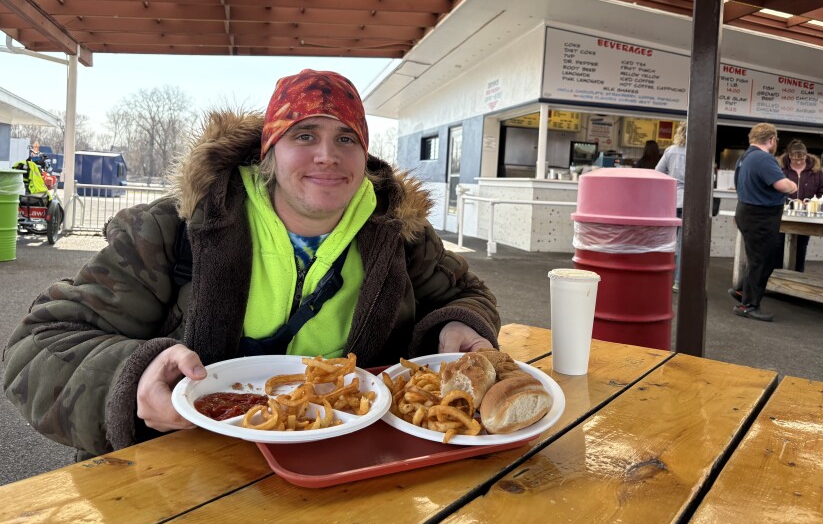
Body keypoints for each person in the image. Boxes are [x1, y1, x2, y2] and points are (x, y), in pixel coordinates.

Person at [3, 69, 500, 459]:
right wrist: (131, 379)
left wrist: (455, 324)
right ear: (269, 152)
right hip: (181, 474)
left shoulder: (402, 236)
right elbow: (37, 345)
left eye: (346, 138)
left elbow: (467, 296)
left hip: (342, 472)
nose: (327, 155)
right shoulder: (174, 230)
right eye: (303, 135)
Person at [730, 123, 797, 321]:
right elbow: (783, 185)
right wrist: (793, 184)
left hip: (746, 211)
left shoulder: (745, 157)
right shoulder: (763, 158)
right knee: (763, 261)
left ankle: (743, 291)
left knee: (757, 258)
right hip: (761, 216)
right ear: (772, 140)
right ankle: (749, 306)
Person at [774, 139, 823, 272]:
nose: (798, 162)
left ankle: (798, 275)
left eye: (801, 159)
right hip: (783, 215)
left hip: (805, 216)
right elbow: (773, 189)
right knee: (779, 246)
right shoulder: (779, 169)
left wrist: (812, 202)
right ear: (788, 156)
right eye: (794, 159)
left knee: (801, 247)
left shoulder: (816, 171)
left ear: (806, 155)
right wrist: (790, 201)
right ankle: (778, 275)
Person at [655, 124, 686, 291]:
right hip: (690, 202)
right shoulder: (701, 152)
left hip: (671, 202)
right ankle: (678, 282)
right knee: (683, 245)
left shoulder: (671, 150)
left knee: (664, 241)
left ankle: (658, 275)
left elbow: (658, 172)